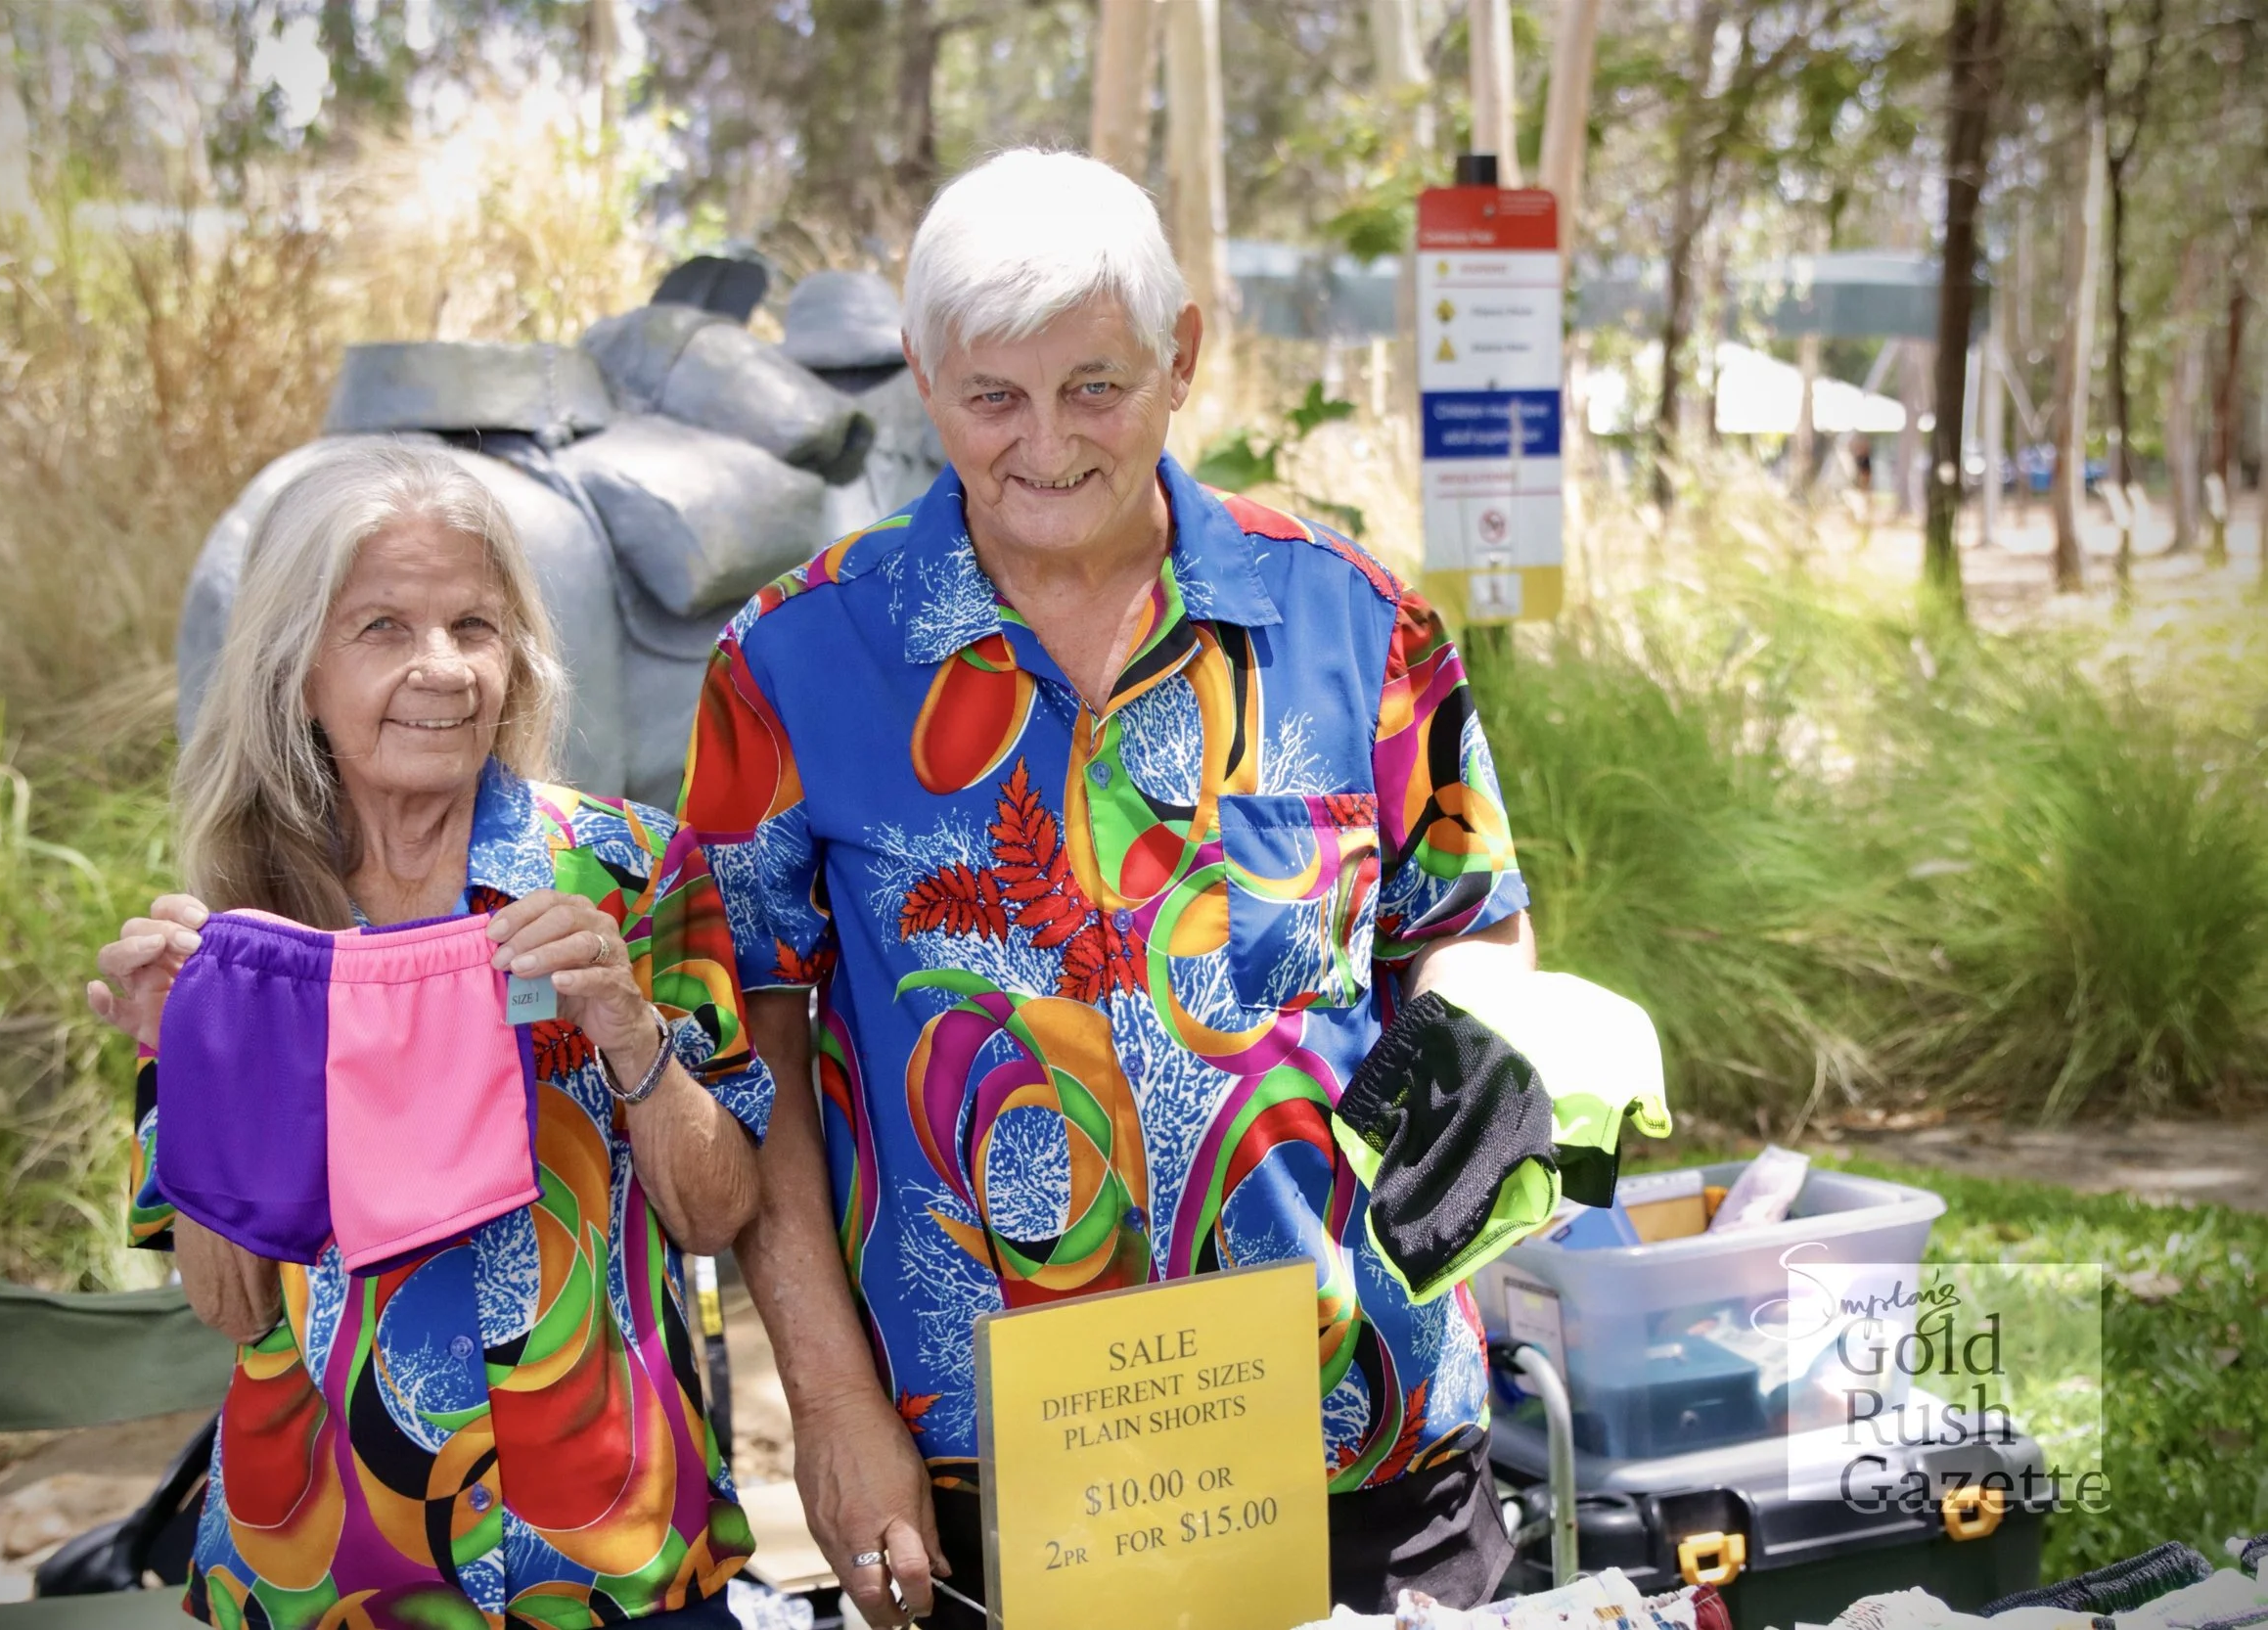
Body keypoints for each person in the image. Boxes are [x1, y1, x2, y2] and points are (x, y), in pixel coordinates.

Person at [681, 150, 1536, 1626]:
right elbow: (747, 1050)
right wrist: (827, 1404)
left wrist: (1461, 1078)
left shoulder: (1355, 620)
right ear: (922, 379)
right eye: (991, 397)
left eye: (1095, 387)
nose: (1046, 444)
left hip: (1362, 1441)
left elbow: (1474, 924)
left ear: (1183, 357)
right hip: (995, 1479)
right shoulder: (791, 666)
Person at [88, 442, 771, 1629]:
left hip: (609, 1555)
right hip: (327, 1565)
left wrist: (624, 1023)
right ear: (298, 673)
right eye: (383, 628)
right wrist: (195, 1073)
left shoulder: (627, 872)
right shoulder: (240, 939)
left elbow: (717, 1215)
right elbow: (235, 1306)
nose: (441, 669)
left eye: (475, 625)